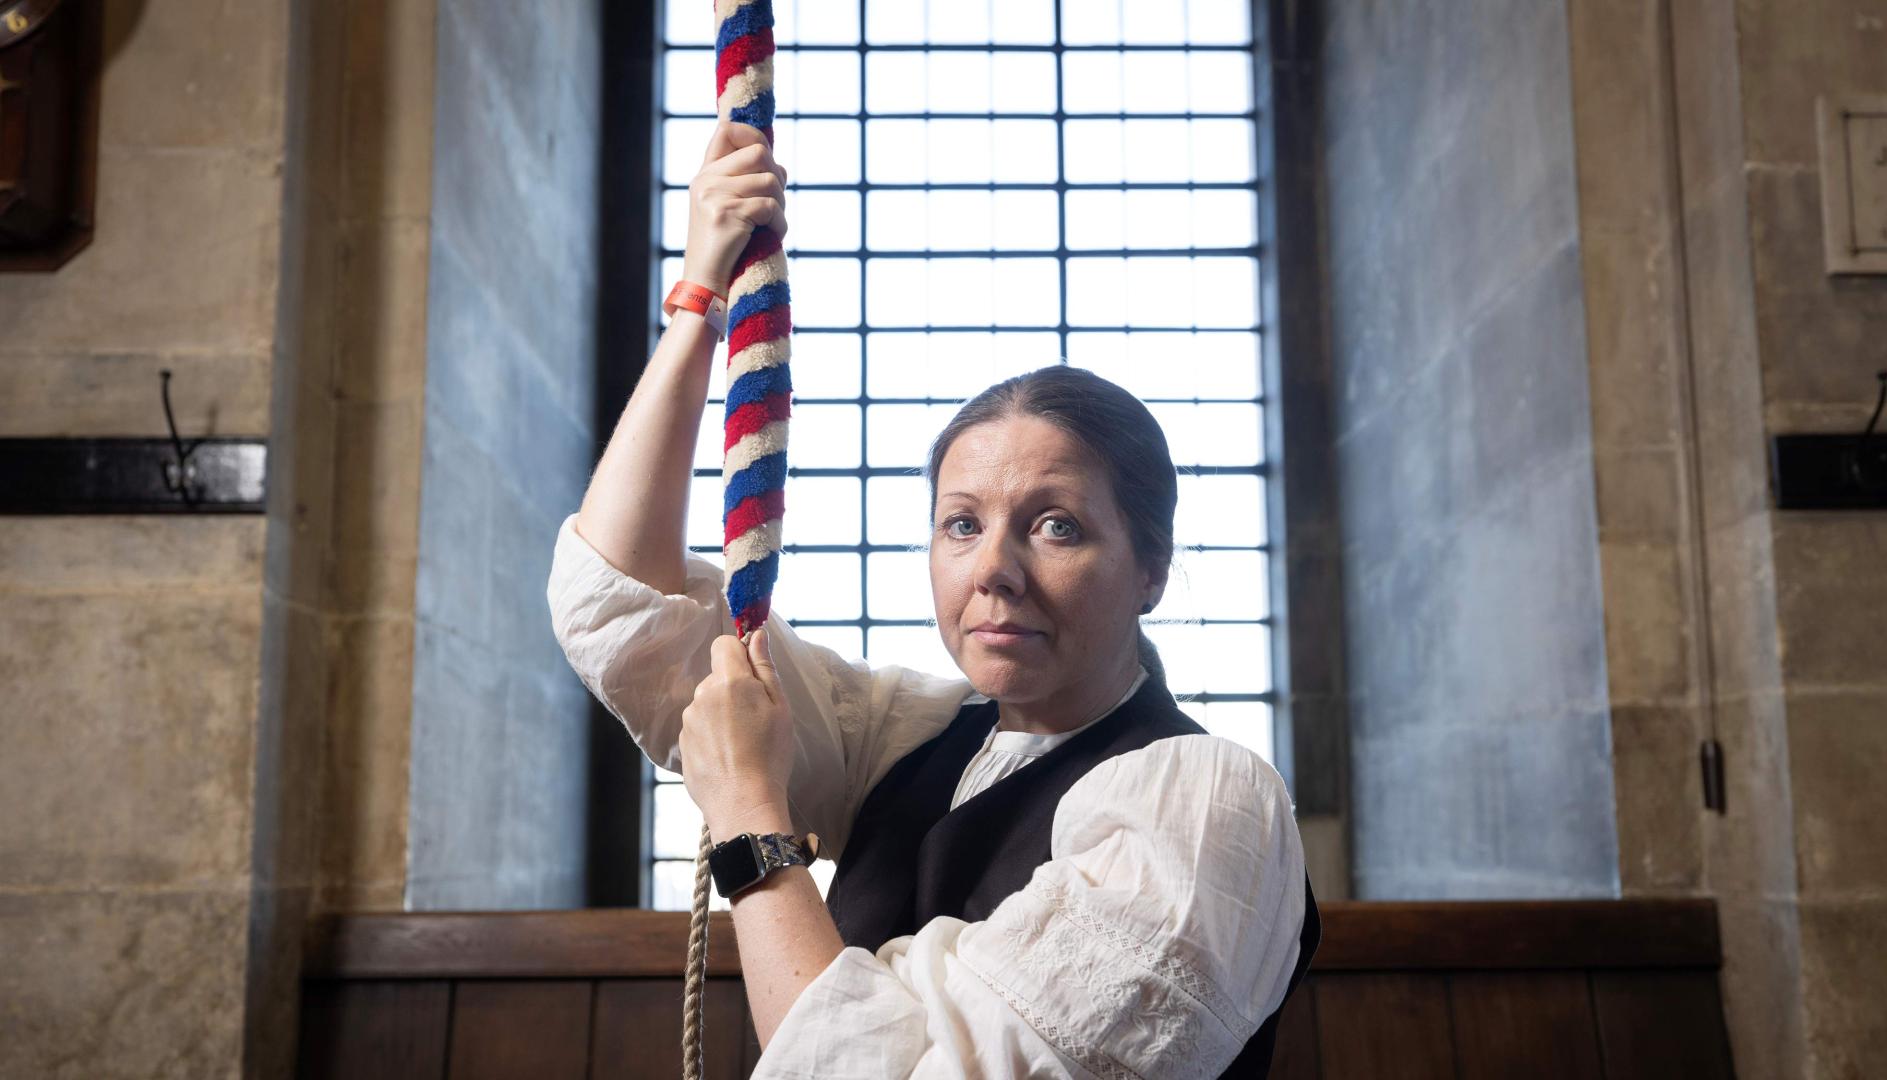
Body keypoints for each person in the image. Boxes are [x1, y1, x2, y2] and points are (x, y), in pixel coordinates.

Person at [547, 120, 1318, 1078]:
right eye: (961, 524)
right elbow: (622, 599)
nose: (993, 569)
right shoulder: (907, 736)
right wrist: (701, 296)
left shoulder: (1205, 805)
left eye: (1056, 526)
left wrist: (748, 816)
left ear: (1151, 568)